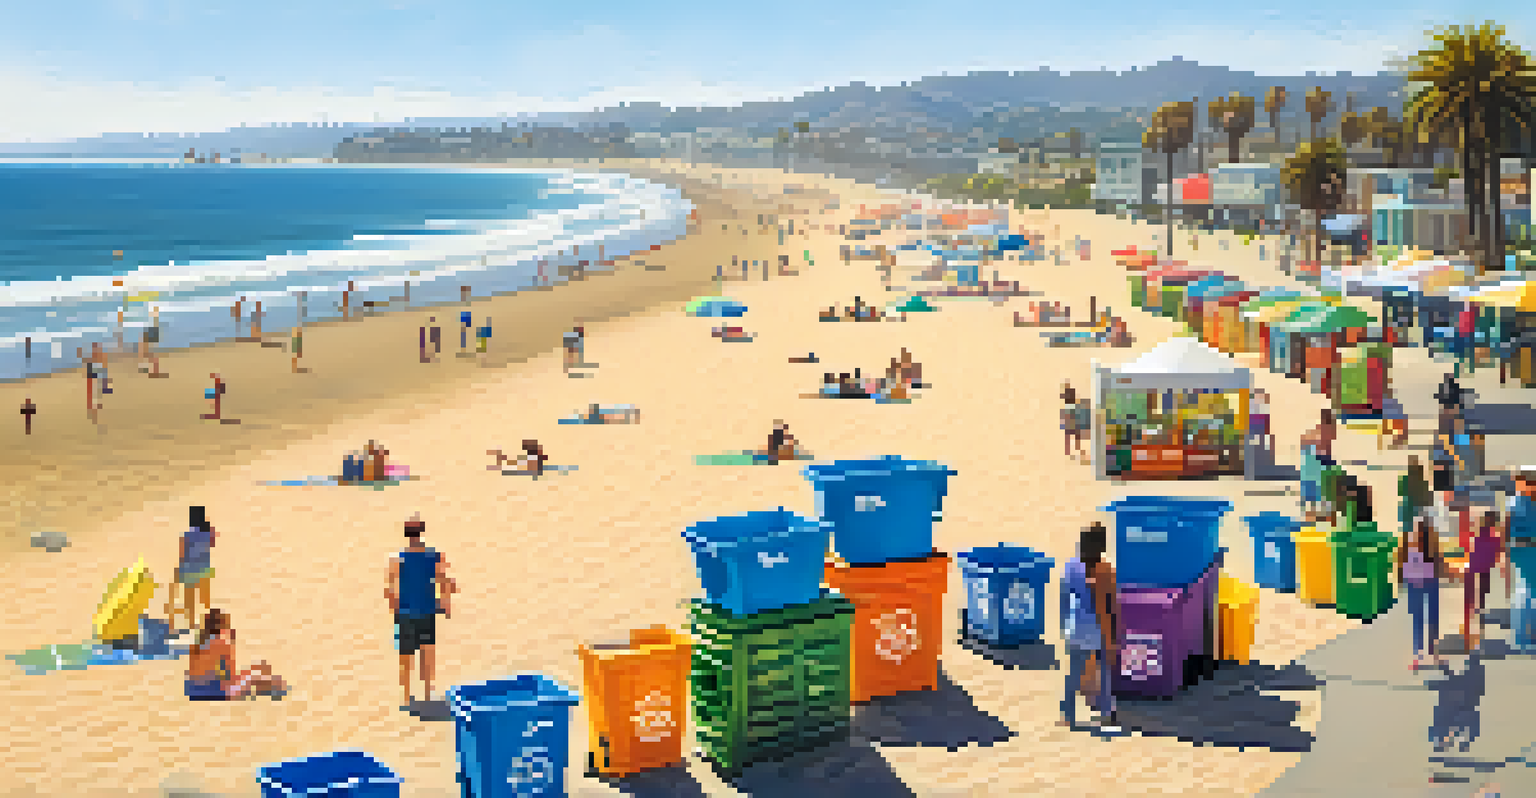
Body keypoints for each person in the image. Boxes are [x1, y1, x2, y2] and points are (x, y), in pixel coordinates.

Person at [386, 516, 456, 709]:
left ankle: (407, 696)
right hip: (427, 611)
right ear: (421, 533)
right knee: (427, 653)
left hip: (406, 613)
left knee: (405, 656)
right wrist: (446, 603)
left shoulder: (396, 558)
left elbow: (390, 589)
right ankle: (428, 693)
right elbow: (444, 581)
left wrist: (395, 610)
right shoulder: (433, 555)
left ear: (406, 535)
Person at [1059, 522, 1119, 731]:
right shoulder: (1105, 571)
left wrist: (1063, 625)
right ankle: (1106, 713)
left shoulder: (1070, 566)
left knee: (1074, 673)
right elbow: (1107, 607)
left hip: (1075, 628)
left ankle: (1067, 715)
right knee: (1105, 672)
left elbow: (1064, 599)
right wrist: (1112, 636)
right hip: (1097, 630)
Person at [185, 609, 288, 701]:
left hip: (194, 692)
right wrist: (231, 644)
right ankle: (276, 687)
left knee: (253, 674)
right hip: (215, 693)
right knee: (256, 676)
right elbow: (231, 676)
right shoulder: (222, 643)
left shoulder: (197, 645)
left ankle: (270, 685)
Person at [1397, 517, 1446, 671]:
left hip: (1414, 583)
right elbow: (1440, 562)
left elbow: (1400, 561)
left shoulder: (1408, 542)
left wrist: (1401, 580)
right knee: (1432, 617)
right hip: (1430, 581)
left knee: (1418, 619)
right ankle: (1433, 653)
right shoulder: (1432, 544)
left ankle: (1419, 655)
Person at [1463, 510, 1503, 651]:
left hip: (1476, 566)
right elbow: (1497, 549)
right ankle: (1479, 625)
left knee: (1477, 596)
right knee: (1482, 595)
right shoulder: (1491, 534)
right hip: (1483, 567)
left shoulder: (1478, 532)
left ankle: (1476, 625)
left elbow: (1473, 548)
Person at [173, 506, 218, 633]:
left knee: (190, 599)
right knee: (205, 598)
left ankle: (191, 624)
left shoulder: (187, 535)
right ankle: (208, 622)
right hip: (204, 569)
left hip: (189, 569)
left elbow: (182, 553)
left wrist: (179, 570)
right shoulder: (207, 533)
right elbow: (212, 543)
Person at [1400, 456, 1434, 537]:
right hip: (1417, 511)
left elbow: (1401, 492)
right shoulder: (1423, 483)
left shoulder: (1405, 481)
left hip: (1412, 511)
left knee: (1409, 534)